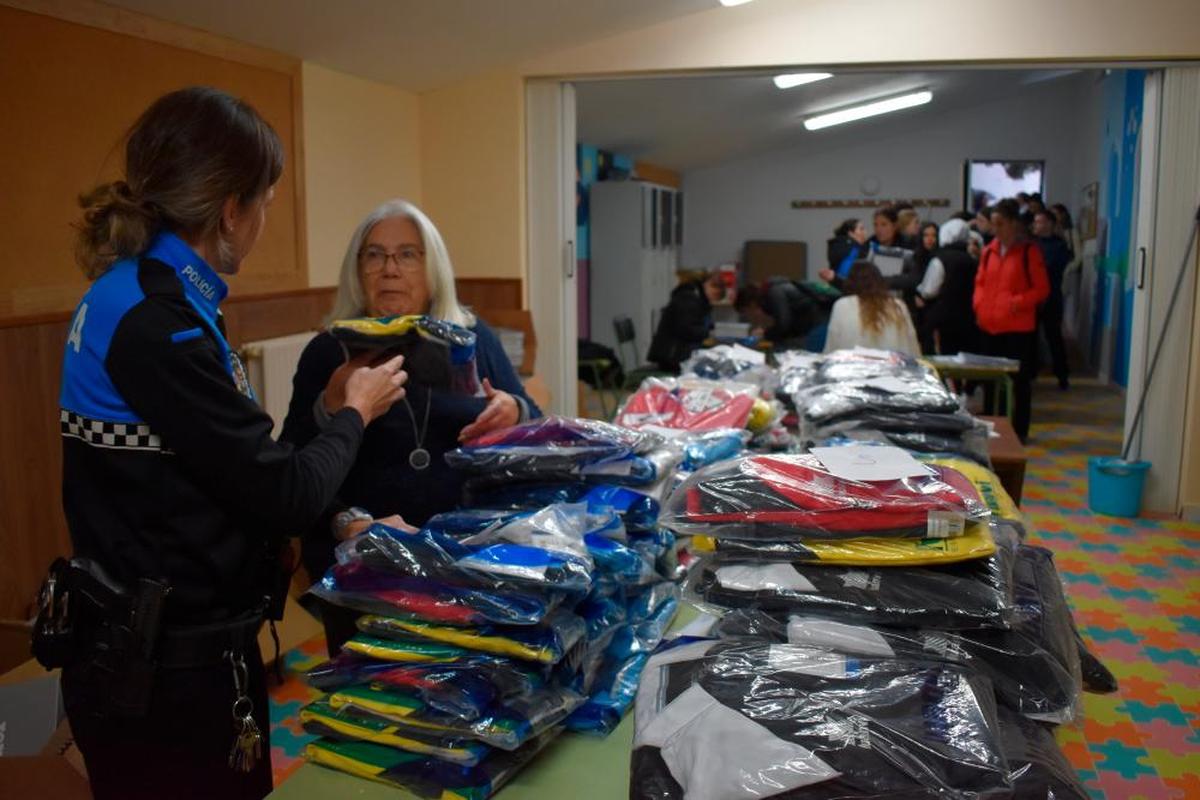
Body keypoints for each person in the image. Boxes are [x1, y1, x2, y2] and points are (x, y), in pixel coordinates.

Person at [48, 87, 407, 800]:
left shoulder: (144, 293)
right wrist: (355, 414)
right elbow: (283, 495)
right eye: (267, 200)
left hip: (166, 652)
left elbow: (230, 460)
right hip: (164, 677)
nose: (265, 219)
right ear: (231, 210)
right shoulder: (157, 321)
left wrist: (327, 410)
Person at [280, 198, 541, 654]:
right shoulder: (328, 351)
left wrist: (514, 409)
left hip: (468, 556)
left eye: (407, 254)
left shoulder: (472, 337)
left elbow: (536, 423)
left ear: (432, 266)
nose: (389, 269)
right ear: (357, 270)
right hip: (367, 561)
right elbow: (294, 463)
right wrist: (346, 523)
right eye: (374, 255)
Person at [973, 198, 1050, 441]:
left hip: (1017, 329)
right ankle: (993, 429)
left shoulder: (1029, 251)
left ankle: (1019, 432)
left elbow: (1041, 289)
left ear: (1014, 224)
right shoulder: (988, 251)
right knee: (990, 384)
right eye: (993, 224)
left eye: (1001, 223)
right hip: (989, 327)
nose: (996, 229)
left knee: (1019, 383)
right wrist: (978, 305)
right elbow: (981, 283)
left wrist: (1016, 302)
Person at [823, 260, 921, 355]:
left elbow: (831, 348)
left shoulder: (842, 305)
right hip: (893, 369)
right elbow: (913, 347)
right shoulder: (898, 305)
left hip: (852, 368)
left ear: (850, 281)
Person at [917, 219, 980, 356]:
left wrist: (919, 289)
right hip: (969, 318)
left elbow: (929, 291)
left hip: (943, 319)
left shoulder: (940, 259)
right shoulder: (972, 260)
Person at [648, 270, 725, 371]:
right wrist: (708, 333)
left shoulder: (695, 298)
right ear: (709, 286)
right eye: (714, 296)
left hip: (674, 353)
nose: (711, 300)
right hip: (672, 355)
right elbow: (686, 329)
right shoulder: (689, 299)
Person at [734, 278, 831, 351]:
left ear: (751, 304)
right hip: (813, 324)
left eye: (746, 312)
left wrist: (765, 334)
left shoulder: (774, 292)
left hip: (818, 325)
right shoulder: (769, 296)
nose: (749, 317)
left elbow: (783, 325)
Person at [1033, 209, 1071, 389]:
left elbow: (1053, 268)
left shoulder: (1059, 246)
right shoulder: (1032, 245)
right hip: (1034, 298)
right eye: (1036, 222)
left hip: (1052, 296)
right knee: (1031, 338)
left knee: (1054, 336)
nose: (1037, 225)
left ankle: (1062, 375)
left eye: (1040, 222)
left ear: (1049, 224)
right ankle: (1031, 373)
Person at [819, 218, 870, 284]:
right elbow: (845, 273)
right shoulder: (853, 249)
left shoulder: (839, 245)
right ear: (851, 233)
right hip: (848, 289)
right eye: (861, 229)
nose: (865, 232)